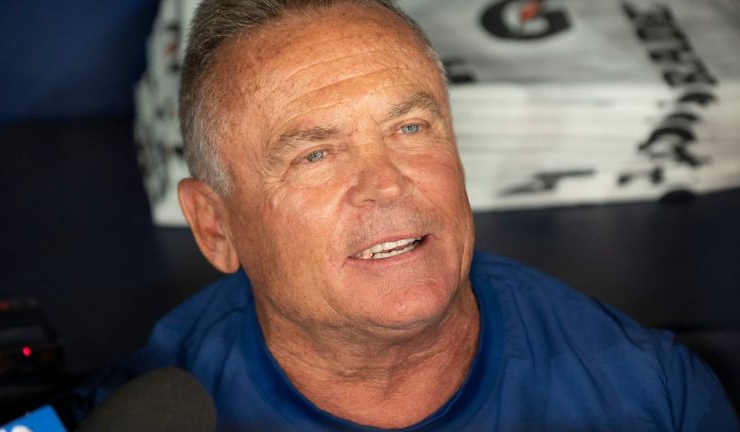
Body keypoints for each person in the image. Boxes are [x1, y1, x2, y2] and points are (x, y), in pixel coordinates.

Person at [75, 0, 738, 430]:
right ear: (216, 226)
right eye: (314, 155)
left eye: (411, 128)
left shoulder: (653, 396)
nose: (386, 184)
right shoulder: (137, 410)